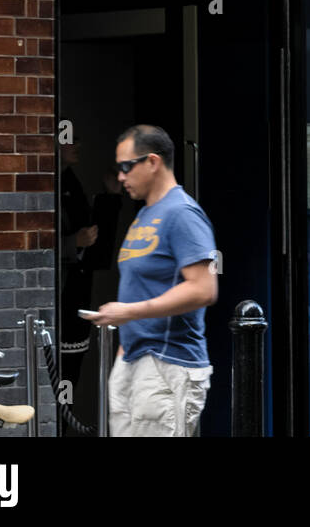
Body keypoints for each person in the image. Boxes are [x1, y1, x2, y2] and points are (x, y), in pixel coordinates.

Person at [83, 124, 218, 437]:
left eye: (126, 167)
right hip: (135, 361)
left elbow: (204, 289)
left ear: (153, 162)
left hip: (168, 365)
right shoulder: (145, 215)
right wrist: (124, 356)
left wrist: (128, 313)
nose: (120, 177)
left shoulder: (182, 214)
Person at [59, 141, 98, 390]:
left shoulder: (71, 181)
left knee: (72, 372)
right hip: (62, 297)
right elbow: (35, 242)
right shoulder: (49, 184)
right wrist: (73, 242)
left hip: (78, 293)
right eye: (65, 139)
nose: (76, 144)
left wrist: (110, 196)